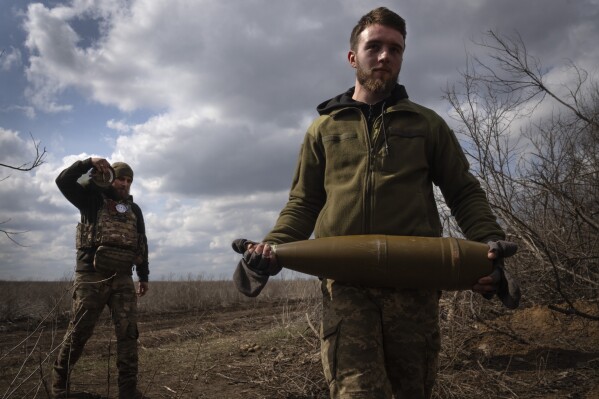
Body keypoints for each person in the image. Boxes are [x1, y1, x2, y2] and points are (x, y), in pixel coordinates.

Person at [232, 7, 520, 399]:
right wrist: (271, 246)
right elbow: (303, 201)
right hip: (346, 285)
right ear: (354, 56)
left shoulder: (427, 124)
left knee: (411, 391)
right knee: (356, 392)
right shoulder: (324, 129)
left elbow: (462, 191)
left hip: (414, 284)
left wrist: (488, 242)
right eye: (375, 46)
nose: (385, 56)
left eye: (395, 49)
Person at [51, 157, 149, 399]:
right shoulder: (91, 198)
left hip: (123, 277)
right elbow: (63, 180)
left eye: (129, 180)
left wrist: (143, 275)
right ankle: (58, 388)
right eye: (121, 178)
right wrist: (88, 163)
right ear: (112, 178)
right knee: (79, 331)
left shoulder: (134, 209)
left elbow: (141, 243)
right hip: (91, 276)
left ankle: (128, 391)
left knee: (128, 334)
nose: (125, 183)